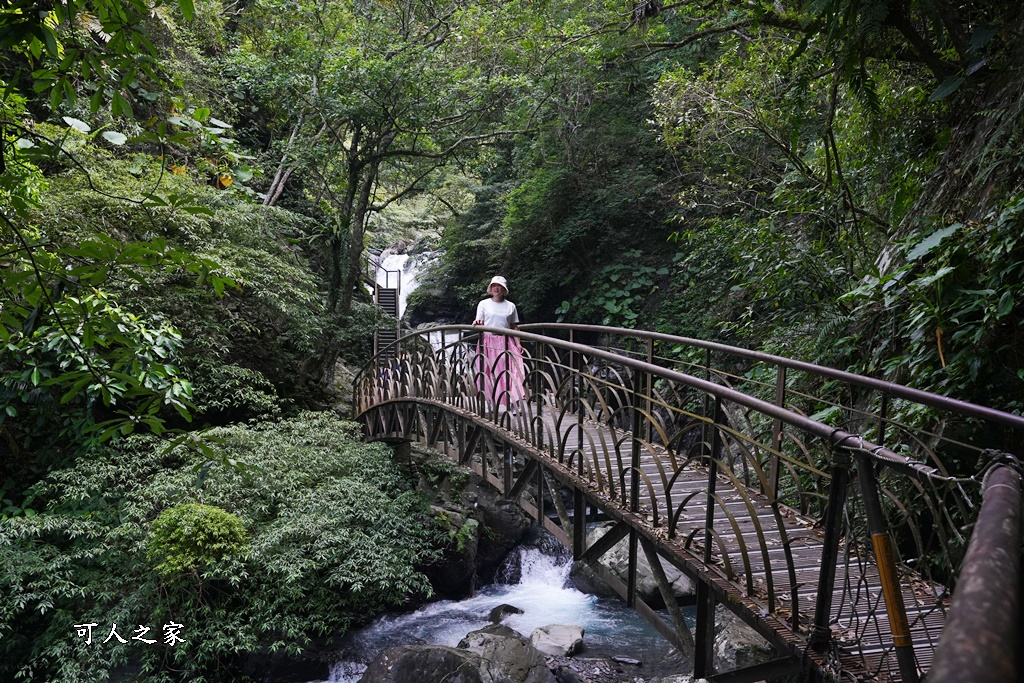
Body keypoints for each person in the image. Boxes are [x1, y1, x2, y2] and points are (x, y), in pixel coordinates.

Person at [472, 276, 526, 411]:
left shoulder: (511, 306)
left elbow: (514, 327)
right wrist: (476, 323)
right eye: (494, 285)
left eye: (499, 286)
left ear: (504, 289)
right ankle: (491, 401)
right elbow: (479, 321)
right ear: (490, 288)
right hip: (488, 341)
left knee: (511, 370)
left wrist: (518, 344)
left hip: (506, 341)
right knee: (488, 371)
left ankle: (513, 402)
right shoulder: (483, 304)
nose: (496, 288)